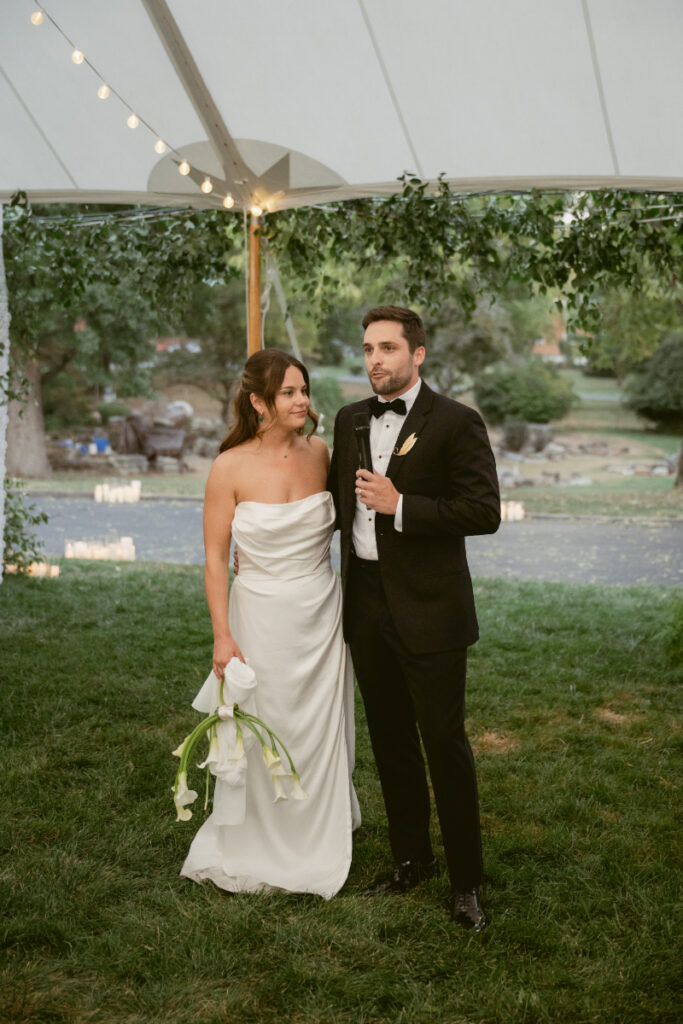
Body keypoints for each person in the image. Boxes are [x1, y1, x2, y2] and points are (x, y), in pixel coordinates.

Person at [328, 305, 500, 930]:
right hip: (367, 603)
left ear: (418, 354)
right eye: (369, 349)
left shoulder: (457, 422)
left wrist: (404, 506)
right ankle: (410, 860)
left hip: (431, 609)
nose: (376, 359)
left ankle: (465, 883)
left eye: (389, 349)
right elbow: (331, 501)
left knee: (444, 744)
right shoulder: (350, 420)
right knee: (391, 742)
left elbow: (483, 511)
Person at [180, 349, 360, 898]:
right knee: (266, 720)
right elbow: (215, 557)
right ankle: (260, 830)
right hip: (257, 615)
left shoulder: (322, 452)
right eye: (288, 393)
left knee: (316, 725)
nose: (302, 401)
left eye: (304, 390)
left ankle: (318, 824)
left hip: (321, 613)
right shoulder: (229, 466)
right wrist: (222, 634)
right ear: (258, 401)